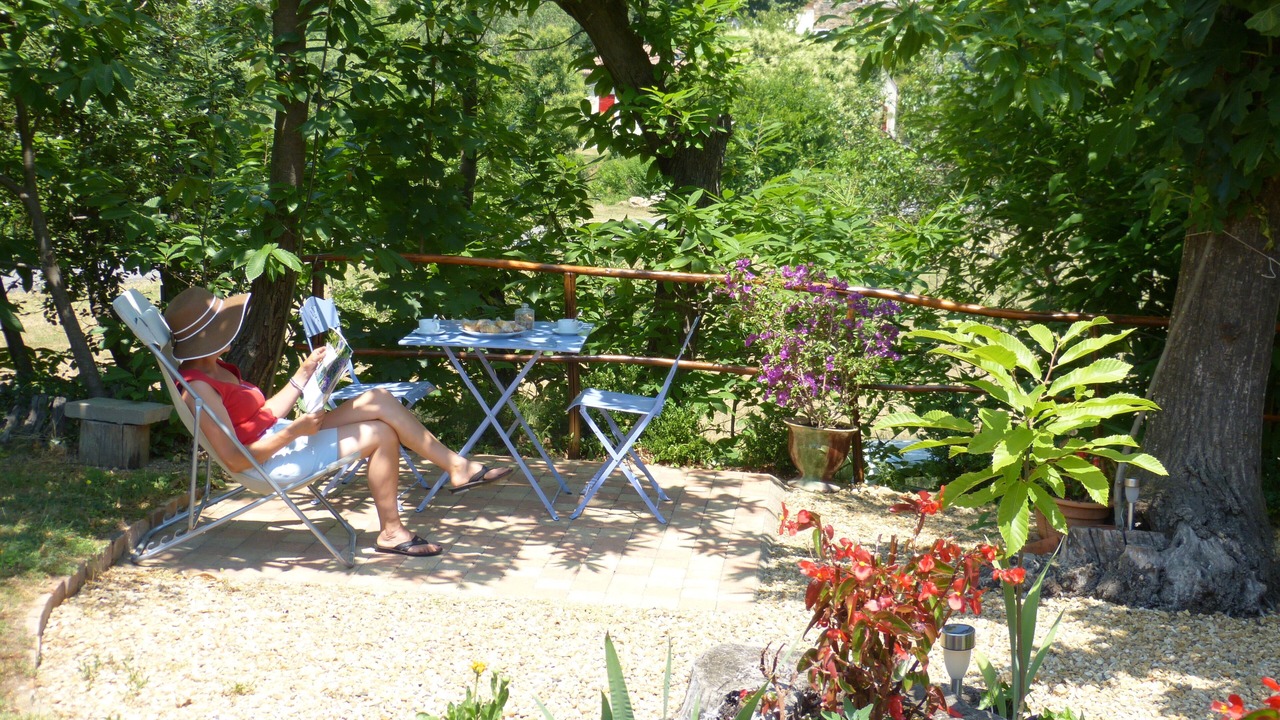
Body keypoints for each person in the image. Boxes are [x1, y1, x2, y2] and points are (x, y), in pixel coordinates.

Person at [163, 287, 512, 557]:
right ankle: (393, 531)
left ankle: (455, 467)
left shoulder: (215, 368)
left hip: (279, 437)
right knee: (379, 432)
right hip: (267, 461)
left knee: (379, 400)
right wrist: (297, 431)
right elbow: (237, 459)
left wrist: (302, 376)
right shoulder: (198, 389)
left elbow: (260, 416)